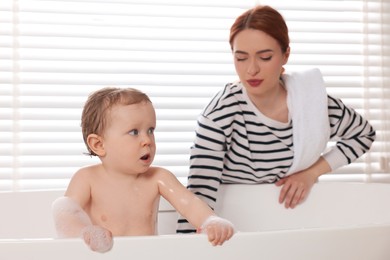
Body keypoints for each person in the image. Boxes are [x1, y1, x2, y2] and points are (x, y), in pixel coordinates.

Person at [177, 5, 376, 233]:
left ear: (285, 55)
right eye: (241, 58)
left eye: (265, 57)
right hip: (234, 225)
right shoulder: (221, 112)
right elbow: (198, 194)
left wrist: (310, 174)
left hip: (292, 223)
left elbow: (363, 134)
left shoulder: (311, 103)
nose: (251, 69)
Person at [52, 87, 235, 253]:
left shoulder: (158, 178)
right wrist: (85, 231)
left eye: (150, 130)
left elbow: (190, 204)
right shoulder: (87, 179)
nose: (147, 140)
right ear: (99, 144)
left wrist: (210, 221)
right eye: (134, 132)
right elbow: (67, 215)